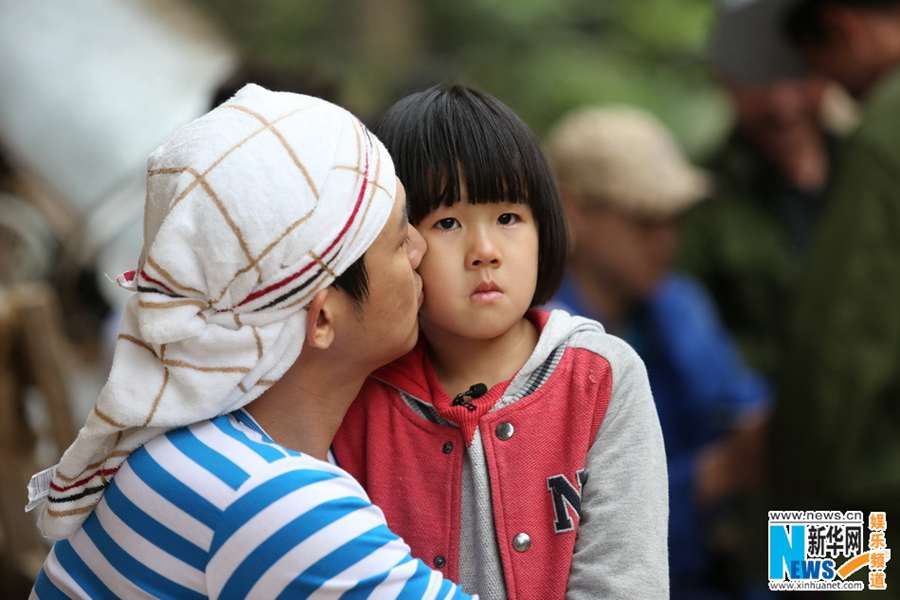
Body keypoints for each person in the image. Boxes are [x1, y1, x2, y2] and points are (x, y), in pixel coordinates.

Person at [27, 84, 472, 599]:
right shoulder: (273, 504)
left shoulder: (194, 447)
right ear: (322, 317)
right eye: (398, 239)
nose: (422, 247)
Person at [332, 85, 669, 600]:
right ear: (396, 244)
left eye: (509, 217)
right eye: (447, 223)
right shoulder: (356, 391)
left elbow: (624, 582)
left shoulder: (602, 377)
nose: (485, 251)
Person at [543, 106, 770, 600]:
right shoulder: (537, 347)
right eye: (645, 219)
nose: (666, 240)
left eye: (674, 219)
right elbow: (556, 537)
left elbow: (745, 414)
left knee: (867, 560)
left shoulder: (679, 304)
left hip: (733, 566)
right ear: (572, 210)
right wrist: (710, 478)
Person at [768, 0, 900, 516]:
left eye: (821, 70)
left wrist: (800, 540)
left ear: (844, 29)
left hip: (876, 496)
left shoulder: (884, 132)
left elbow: (843, 353)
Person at [686, 2, 852, 381]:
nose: (782, 104)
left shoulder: (869, 168)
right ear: (729, 84)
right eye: (761, 79)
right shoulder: (703, 194)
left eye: (796, 75)